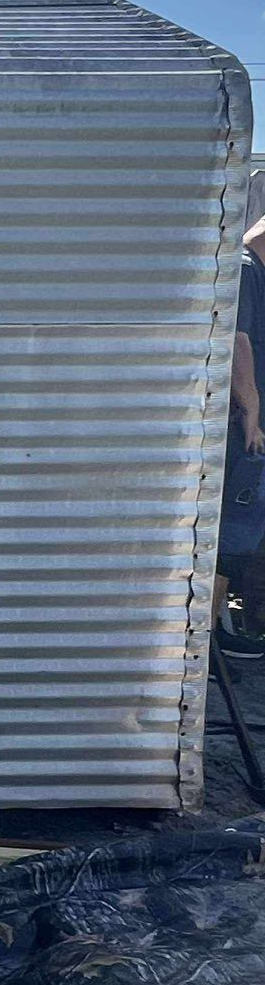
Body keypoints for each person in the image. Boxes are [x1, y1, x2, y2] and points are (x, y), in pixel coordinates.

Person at [215, 172, 265, 656]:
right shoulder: (248, 269)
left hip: (248, 429)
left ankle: (221, 633)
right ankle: (208, 638)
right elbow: (239, 341)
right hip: (242, 430)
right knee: (231, 533)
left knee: (240, 535)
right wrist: (251, 410)